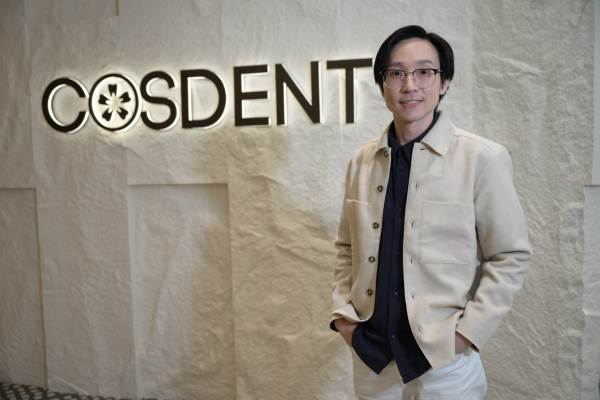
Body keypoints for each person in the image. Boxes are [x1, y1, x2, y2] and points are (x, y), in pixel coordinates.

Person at [330, 25, 532, 399]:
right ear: (382, 84)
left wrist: (466, 334)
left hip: (445, 362)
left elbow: (510, 255)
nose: (410, 85)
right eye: (397, 73)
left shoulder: (482, 159)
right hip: (373, 357)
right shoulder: (361, 161)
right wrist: (345, 318)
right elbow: (346, 248)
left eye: (424, 71)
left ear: (444, 82)